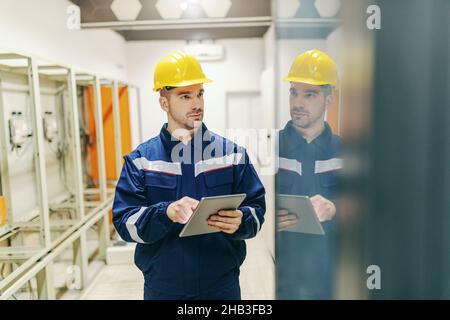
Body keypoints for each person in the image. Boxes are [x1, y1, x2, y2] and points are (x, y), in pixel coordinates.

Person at [112, 51, 266, 300]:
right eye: (185, 96)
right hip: (163, 288)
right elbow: (125, 223)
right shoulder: (141, 160)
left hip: (222, 286)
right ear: (164, 102)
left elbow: (257, 211)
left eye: (200, 94)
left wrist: (242, 221)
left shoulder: (233, 155)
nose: (197, 104)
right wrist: (165, 212)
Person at [276, 49, 342, 299]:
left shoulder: (346, 151)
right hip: (284, 276)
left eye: (310, 94)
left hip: (330, 276)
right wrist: (271, 217)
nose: (297, 103)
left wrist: (335, 209)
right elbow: (254, 207)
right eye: (294, 92)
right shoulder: (272, 150)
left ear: (328, 99)